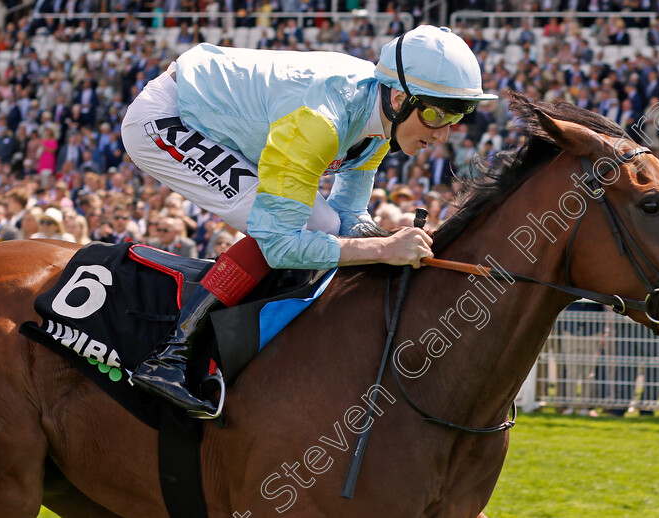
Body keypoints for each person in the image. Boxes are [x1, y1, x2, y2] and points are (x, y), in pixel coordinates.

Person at [121, 26, 496, 415]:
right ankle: (170, 357)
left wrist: (399, 244)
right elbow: (280, 244)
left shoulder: (379, 122)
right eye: (437, 114)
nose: (444, 135)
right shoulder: (320, 121)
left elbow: (351, 217)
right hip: (169, 116)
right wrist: (385, 247)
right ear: (400, 98)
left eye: (458, 116)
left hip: (226, 119)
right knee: (304, 226)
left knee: (326, 222)